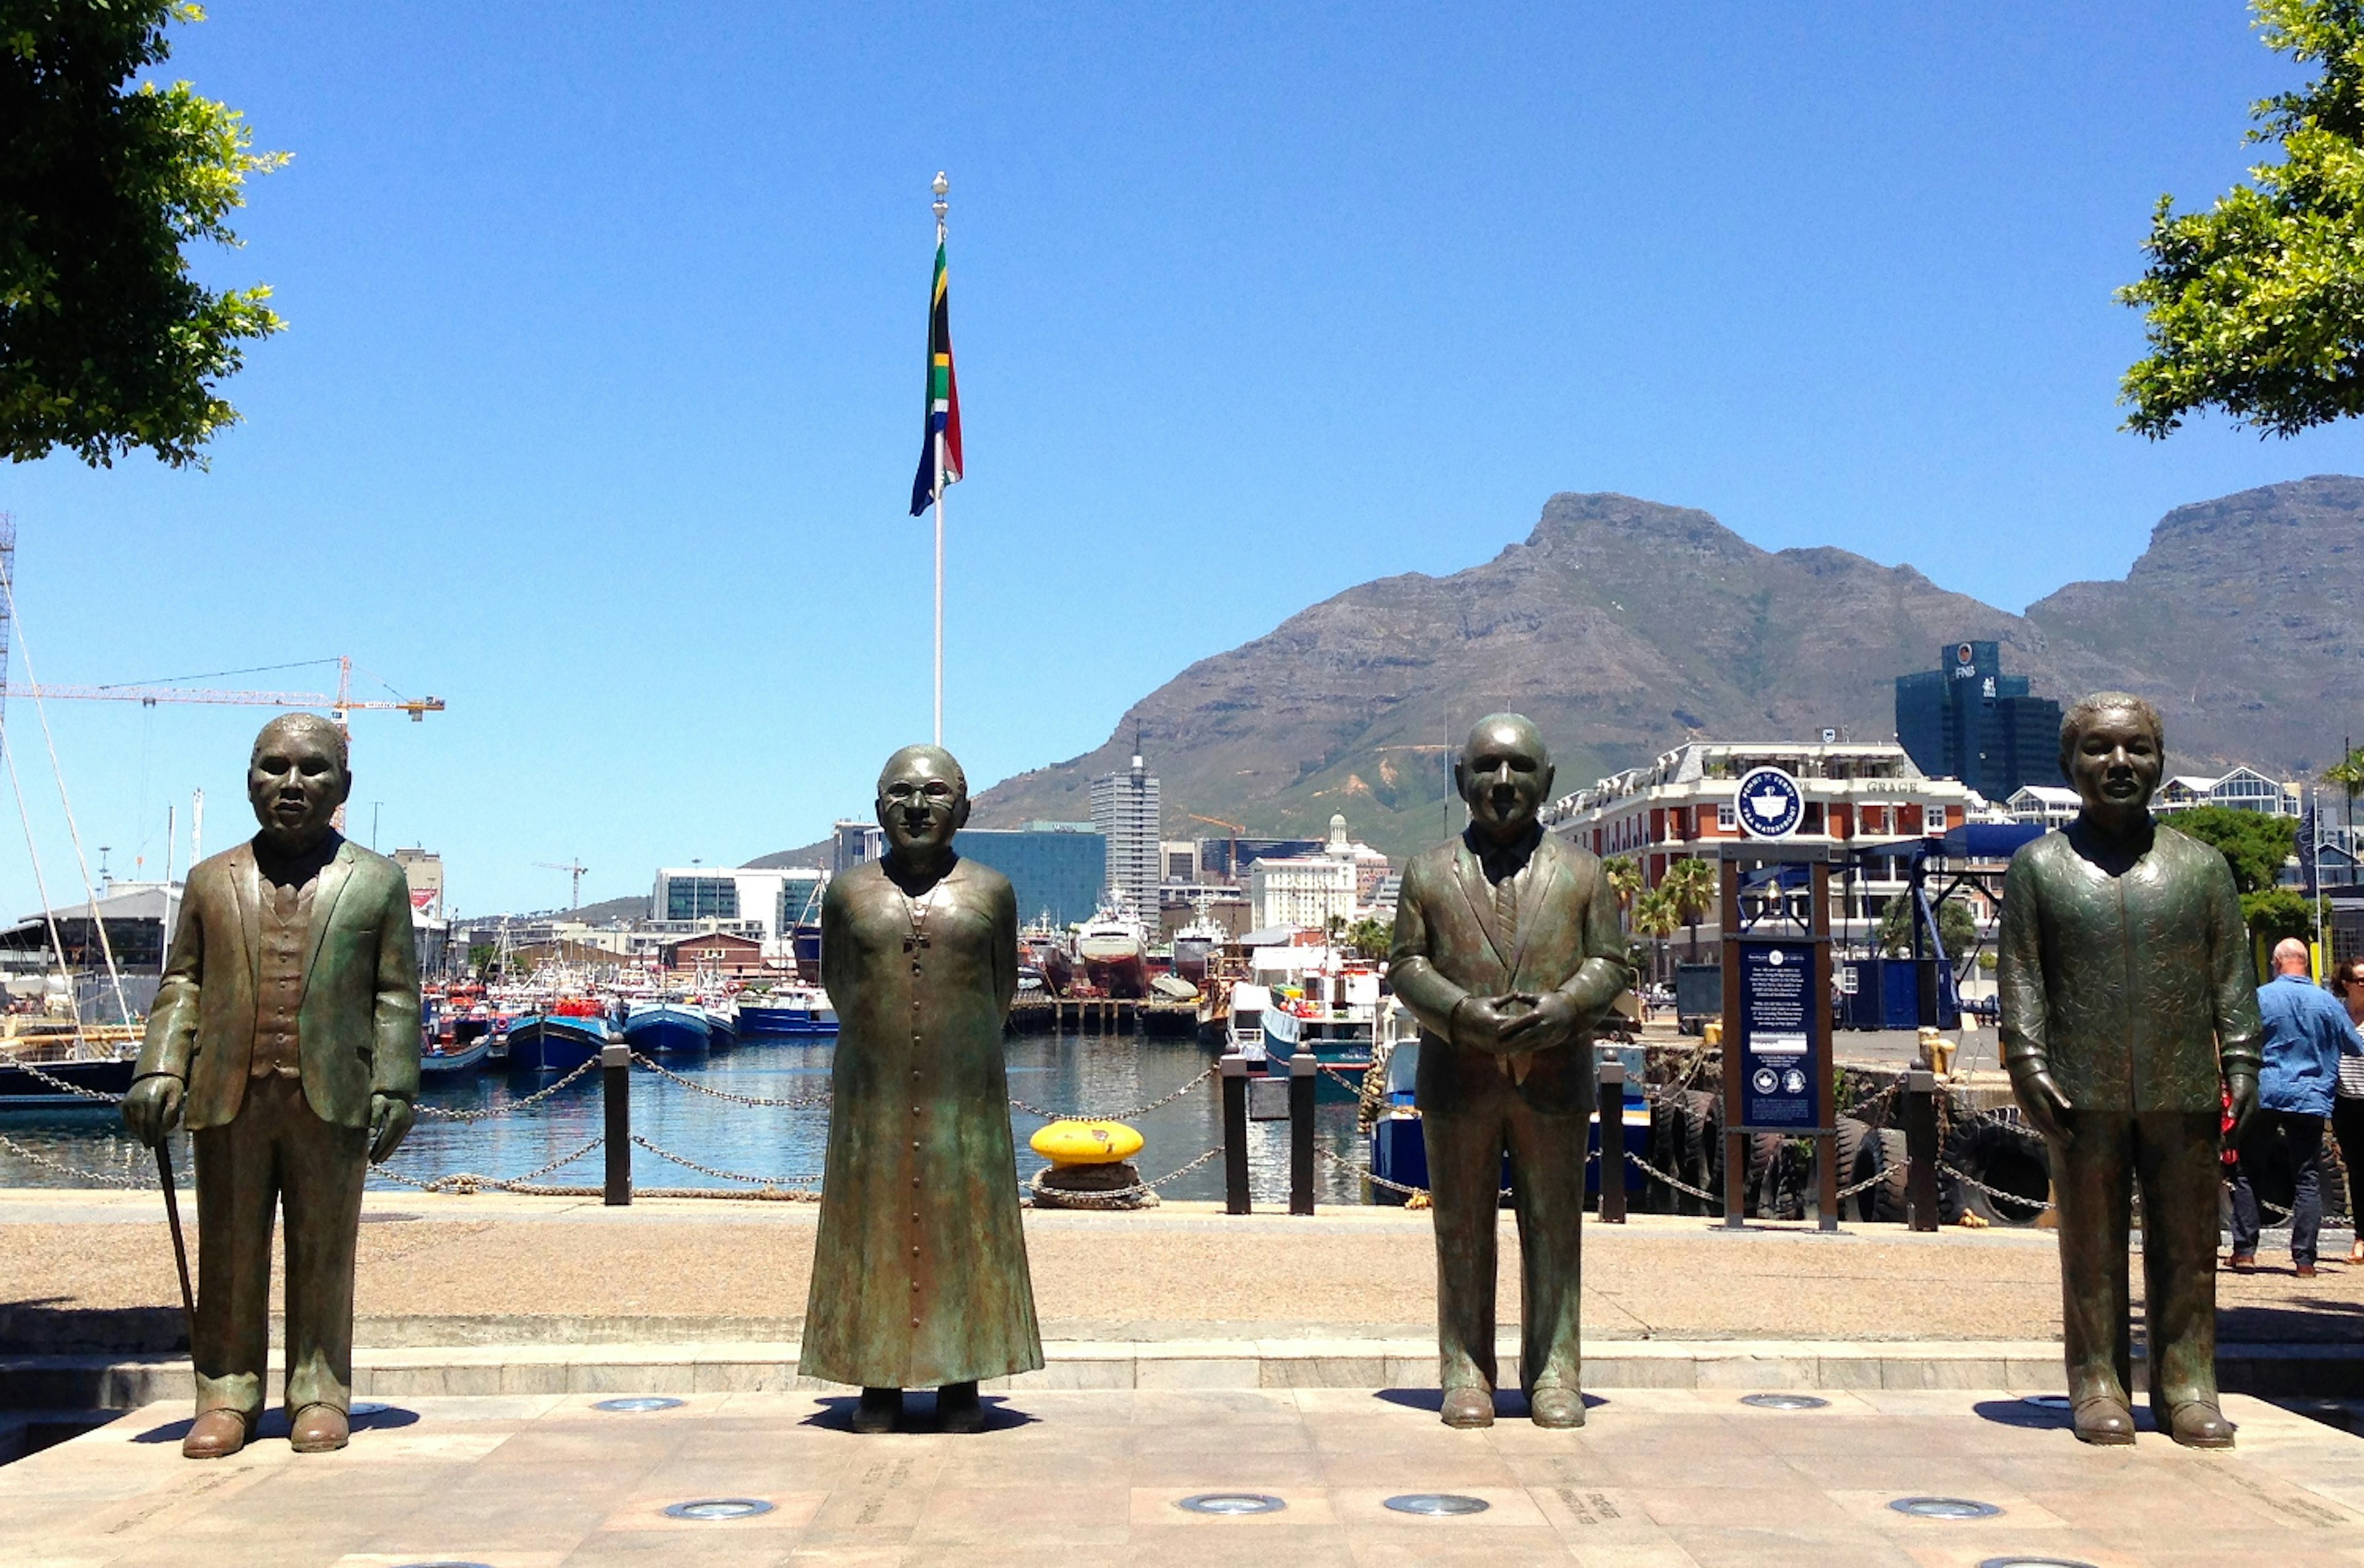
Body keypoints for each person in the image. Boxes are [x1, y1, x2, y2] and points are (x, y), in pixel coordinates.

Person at [119, 714, 421, 1458]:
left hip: (334, 1093)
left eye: (313, 769)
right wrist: (160, 1066)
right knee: (228, 1248)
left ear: (343, 786)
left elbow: (396, 995)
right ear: (249, 779)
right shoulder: (208, 880)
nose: (292, 784)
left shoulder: (378, 882)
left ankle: (319, 1391)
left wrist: (397, 1084)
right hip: (229, 1092)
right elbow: (183, 982)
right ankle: (225, 1393)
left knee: (325, 1250)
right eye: (274, 767)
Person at [1996, 692, 2261, 1449]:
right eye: (2099, 749)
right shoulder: (2038, 868)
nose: (2119, 764)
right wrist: (2026, 1060)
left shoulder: (2203, 869)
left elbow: (2230, 977)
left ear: (2161, 762)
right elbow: (2021, 979)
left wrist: (2241, 1058)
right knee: (2090, 1246)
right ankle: (2097, 1383)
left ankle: (2188, 1386)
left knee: (2189, 1246)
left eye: (2136, 749)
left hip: (2181, 1085)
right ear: (2068, 765)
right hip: (2080, 1087)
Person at [1389, 714, 1628, 1429]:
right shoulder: (1427, 872)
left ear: (1547, 780)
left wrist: (1564, 1009)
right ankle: (1465, 1372)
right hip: (1457, 1077)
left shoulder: (1585, 873)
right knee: (1459, 1229)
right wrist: (1462, 1015)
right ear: (1461, 780)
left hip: (1554, 1076)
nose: (1502, 784)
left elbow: (1612, 962)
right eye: (1487, 768)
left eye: (1520, 768)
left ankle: (1555, 1372)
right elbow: (1406, 963)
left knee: (1556, 1228)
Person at [798, 745, 1040, 1433]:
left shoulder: (993, 892)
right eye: (900, 793)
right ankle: (876, 1379)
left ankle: (962, 1379)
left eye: (935, 792)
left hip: (964, 1095)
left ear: (963, 808)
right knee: (868, 1224)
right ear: (879, 811)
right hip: (870, 1095)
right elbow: (841, 987)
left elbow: (999, 993)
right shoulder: (847, 895)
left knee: (967, 1223)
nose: (917, 806)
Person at [2229, 939, 2363, 1277]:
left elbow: (2242, 1040)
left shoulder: (2260, 998)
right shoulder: (2327, 1003)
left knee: (2248, 1172)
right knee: (2307, 1176)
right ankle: (2305, 1260)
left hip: (2268, 1091)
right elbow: (2355, 1045)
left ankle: (2245, 1252)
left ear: (2277, 964)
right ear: (2305, 963)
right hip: (2311, 1095)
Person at [2331, 957, 2364, 1266]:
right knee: (2357, 1169)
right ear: (2347, 984)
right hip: (2346, 1101)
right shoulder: (2337, 1013)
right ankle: (2361, 1238)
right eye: (2361, 981)